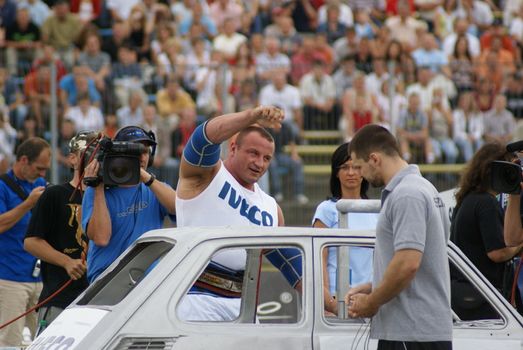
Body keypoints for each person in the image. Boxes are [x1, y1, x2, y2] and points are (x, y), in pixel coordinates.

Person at [176, 105, 297, 321]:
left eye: (267, 158)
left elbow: (294, 268)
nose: (259, 163)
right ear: (233, 148)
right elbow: (203, 137)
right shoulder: (207, 174)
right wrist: (250, 116)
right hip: (193, 299)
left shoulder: (271, 208)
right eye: (253, 153)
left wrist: (334, 304)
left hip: (244, 309)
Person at [347, 124, 453, 350]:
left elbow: (408, 264)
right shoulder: (424, 188)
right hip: (417, 330)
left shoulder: (407, 194)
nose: (359, 175)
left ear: (374, 159)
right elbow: (421, 263)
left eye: (359, 166)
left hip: (410, 330)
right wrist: (372, 285)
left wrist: (371, 302)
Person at [82, 126, 176, 283]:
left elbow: (179, 208)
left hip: (147, 279)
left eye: (145, 151)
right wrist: (98, 187)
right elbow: (101, 238)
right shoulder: (97, 191)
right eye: (135, 151)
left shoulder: (155, 188)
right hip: (107, 279)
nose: (142, 157)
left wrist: (147, 178)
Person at [24, 131, 97, 334]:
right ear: (72, 158)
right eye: (89, 152)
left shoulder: (107, 197)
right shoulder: (55, 194)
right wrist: (66, 261)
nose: (94, 158)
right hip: (59, 299)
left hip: (98, 301)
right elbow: (31, 242)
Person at [451, 143, 523, 320]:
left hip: (464, 292)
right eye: (507, 169)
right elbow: (497, 253)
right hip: (484, 296)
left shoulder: (467, 199)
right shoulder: (486, 204)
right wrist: (519, 244)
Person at [312, 142, 377, 315]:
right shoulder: (326, 209)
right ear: (336, 173)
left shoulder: (376, 210)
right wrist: (328, 305)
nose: (351, 173)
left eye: (356, 167)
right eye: (345, 167)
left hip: (369, 303)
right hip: (336, 303)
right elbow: (318, 262)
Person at [0, 137, 50, 347]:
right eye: (39, 168)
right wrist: (28, 203)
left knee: (46, 339)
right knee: (9, 341)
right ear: (23, 160)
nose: (42, 174)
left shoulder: (39, 184)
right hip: (10, 278)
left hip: (40, 278)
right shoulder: (2, 187)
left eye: (46, 169)